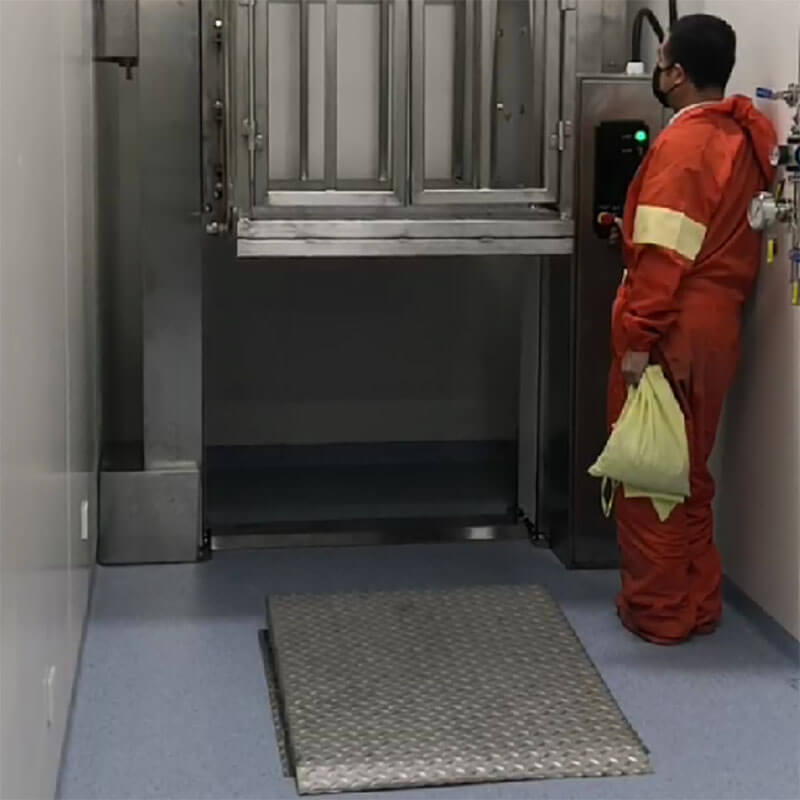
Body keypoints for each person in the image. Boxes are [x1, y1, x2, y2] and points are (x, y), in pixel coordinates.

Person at [609, 14, 777, 645]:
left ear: (677, 73)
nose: (657, 73)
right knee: (689, 472)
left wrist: (638, 338)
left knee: (651, 476)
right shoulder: (740, 135)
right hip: (714, 328)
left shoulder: (685, 148)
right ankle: (698, 601)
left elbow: (662, 256)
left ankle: (659, 612)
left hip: (673, 330)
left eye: (660, 62)